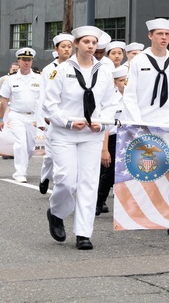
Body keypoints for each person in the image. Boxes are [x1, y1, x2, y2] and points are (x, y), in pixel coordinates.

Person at [43, 25, 117, 251]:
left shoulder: (104, 71)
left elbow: (111, 103)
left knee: (88, 183)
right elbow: (49, 104)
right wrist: (67, 121)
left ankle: (83, 233)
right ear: (76, 44)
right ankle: (56, 212)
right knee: (65, 179)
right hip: (65, 132)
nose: (91, 46)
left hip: (91, 134)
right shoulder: (61, 70)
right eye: (86, 42)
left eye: (94, 43)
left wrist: (102, 121)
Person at [123, 18, 169, 127]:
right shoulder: (138, 61)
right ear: (150, 35)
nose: (164, 37)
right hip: (144, 121)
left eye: (167, 34)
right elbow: (130, 96)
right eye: (159, 34)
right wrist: (138, 123)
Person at [0, 47, 42, 183]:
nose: (26, 63)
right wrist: (0, 119)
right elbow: (4, 100)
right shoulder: (10, 80)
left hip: (33, 116)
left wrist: (41, 118)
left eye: (29, 60)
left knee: (29, 146)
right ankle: (20, 172)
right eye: (24, 60)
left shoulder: (39, 78)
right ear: (19, 60)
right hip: (17, 115)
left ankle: (23, 163)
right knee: (20, 143)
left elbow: (43, 100)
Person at [38, 33, 74, 194]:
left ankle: (61, 185)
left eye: (69, 46)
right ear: (56, 49)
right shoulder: (49, 70)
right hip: (52, 116)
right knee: (50, 157)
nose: (67, 49)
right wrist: (43, 117)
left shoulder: (76, 66)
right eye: (63, 47)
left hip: (71, 116)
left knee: (65, 157)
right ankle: (45, 177)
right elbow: (43, 95)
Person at [96, 64, 129, 216]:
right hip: (112, 138)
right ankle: (99, 201)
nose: (125, 84)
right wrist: (105, 149)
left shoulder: (134, 97)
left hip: (129, 137)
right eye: (122, 81)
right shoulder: (112, 99)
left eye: (127, 80)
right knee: (108, 173)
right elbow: (106, 125)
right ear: (115, 83)